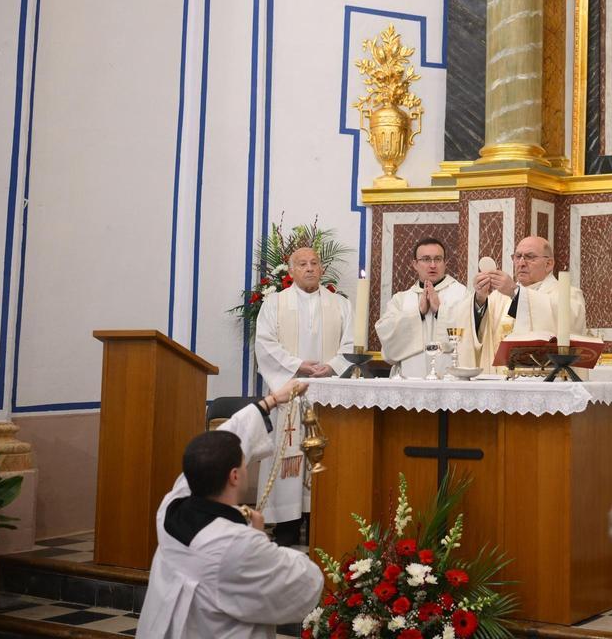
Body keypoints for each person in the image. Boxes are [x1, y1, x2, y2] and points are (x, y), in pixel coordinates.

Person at [137, 377, 324, 638]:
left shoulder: (170, 506)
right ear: (235, 476)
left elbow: (227, 436)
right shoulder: (235, 544)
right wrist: (258, 536)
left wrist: (271, 400)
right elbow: (306, 585)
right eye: (244, 464)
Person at [254, 246, 353, 545]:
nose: (309, 268)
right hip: (290, 395)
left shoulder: (341, 305)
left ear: (322, 269)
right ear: (291, 270)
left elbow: (351, 341)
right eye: (302, 264)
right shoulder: (274, 303)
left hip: (329, 396)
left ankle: (319, 527)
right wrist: (298, 365)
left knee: (323, 459)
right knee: (289, 458)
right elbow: (265, 344)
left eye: (314, 263)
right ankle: (285, 529)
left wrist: (333, 366)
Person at [454, 236, 588, 373]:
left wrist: (515, 293)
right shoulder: (499, 296)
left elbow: (568, 322)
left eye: (530, 257)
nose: (521, 263)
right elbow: (475, 330)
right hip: (500, 383)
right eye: (518, 256)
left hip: (546, 382)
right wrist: (480, 299)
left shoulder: (567, 294)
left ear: (549, 264)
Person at [375, 237, 468, 378]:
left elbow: (471, 333)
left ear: (445, 263)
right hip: (409, 381)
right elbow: (386, 335)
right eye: (425, 259)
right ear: (415, 264)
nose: (432, 265)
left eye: (438, 259)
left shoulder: (461, 294)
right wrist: (418, 313)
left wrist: (440, 311)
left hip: (451, 382)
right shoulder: (401, 299)